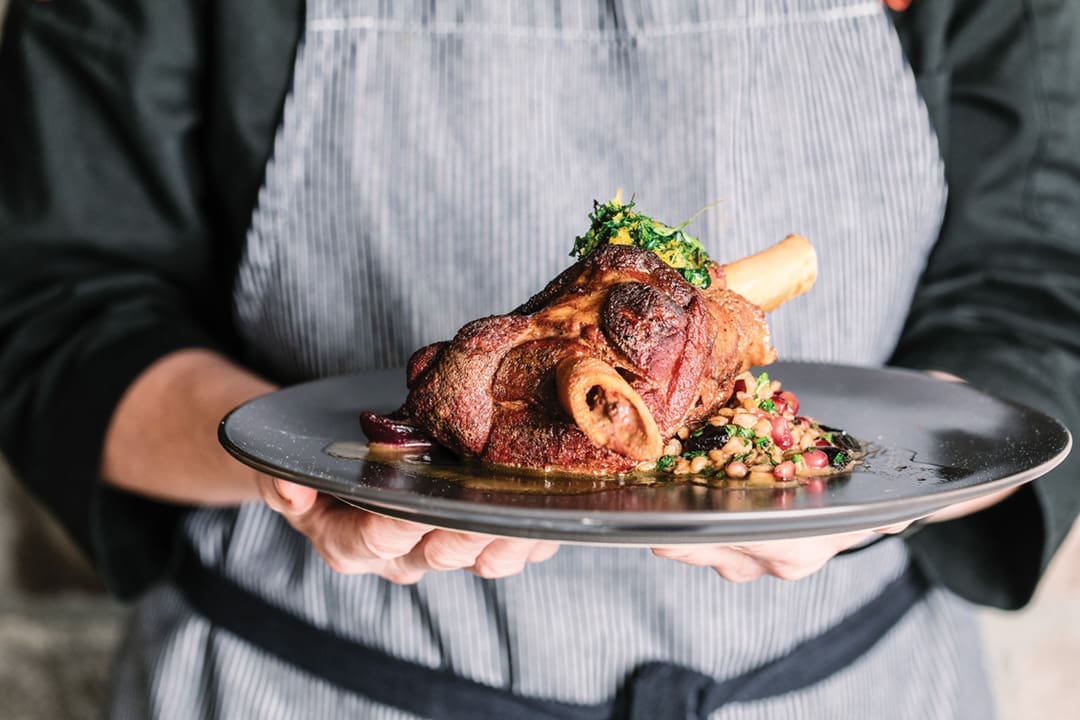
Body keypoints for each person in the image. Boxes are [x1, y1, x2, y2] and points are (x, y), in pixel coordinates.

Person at [1, 0, 1078, 717]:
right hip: (312, 684)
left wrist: (880, 486)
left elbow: (1040, 288)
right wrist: (306, 466)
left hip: (848, 691)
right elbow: (54, 304)